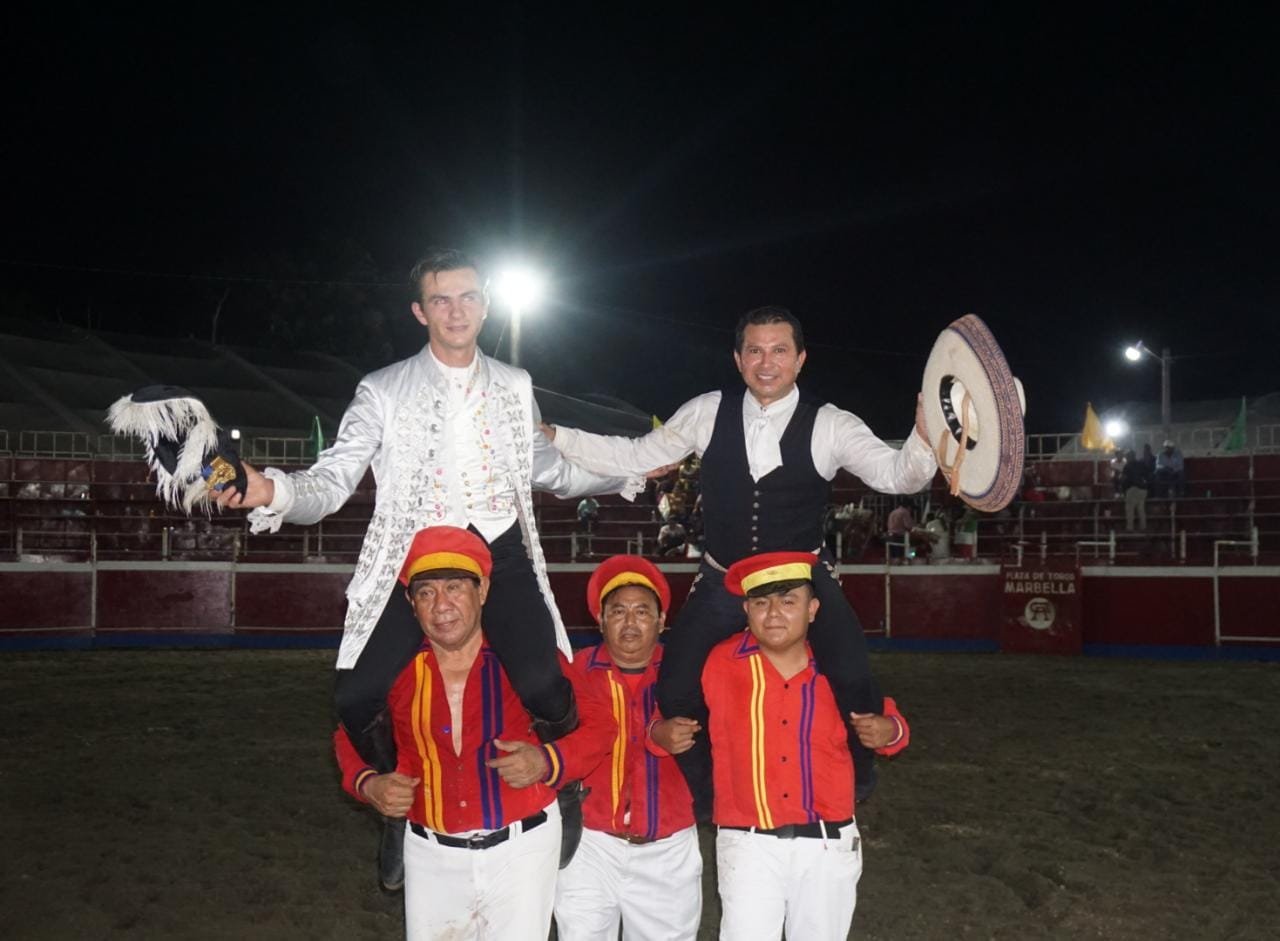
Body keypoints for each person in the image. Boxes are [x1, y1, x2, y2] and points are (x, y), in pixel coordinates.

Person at [215, 249, 641, 887]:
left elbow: (548, 469)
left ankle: (566, 786)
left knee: (545, 685)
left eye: (467, 297)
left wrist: (626, 472)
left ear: (486, 305)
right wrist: (268, 489)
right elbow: (332, 482)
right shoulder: (382, 389)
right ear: (420, 311)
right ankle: (397, 801)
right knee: (356, 696)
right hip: (414, 559)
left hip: (499, 550)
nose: (456, 311)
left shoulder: (515, 383)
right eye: (441, 299)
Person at [545, 305, 935, 818]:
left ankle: (859, 774)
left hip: (801, 577)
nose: (766, 363)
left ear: (800, 359)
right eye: (755, 350)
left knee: (851, 674)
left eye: (779, 351)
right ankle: (710, 791)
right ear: (738, 358)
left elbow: (898, 475)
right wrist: (558, 436)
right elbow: (637, 455)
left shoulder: (831, 424)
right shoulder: (707, 411)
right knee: (676, 685)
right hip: (723, 576)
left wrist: (925, 436)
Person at [334, 527, 615, 940]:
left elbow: (602, 726)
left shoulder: (525, 660)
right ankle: (394, 829)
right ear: (411, 604)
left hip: (523, 848)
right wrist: (369, 784)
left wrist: (546, 761)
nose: (441, 605)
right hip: (429, 851)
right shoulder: (397, 671)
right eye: (426, 593)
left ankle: (567, 796)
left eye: (454, 588)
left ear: (482, 591)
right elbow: (348, 734)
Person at [692, 551, 909, 940]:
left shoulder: (837, 666)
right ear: (746, 609)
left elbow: (889, 719)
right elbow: (669, 705)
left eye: (788, 601)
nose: (774, 613)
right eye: (761, 602)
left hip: (828, 845)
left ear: (813, 609)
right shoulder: (718, 663)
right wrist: (660, 730)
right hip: (747, 845)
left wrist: (889, 730)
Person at [554, 556, 701, 941]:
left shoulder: (688, 673)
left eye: (642, 611)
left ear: (662, 620)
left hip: (668, 848)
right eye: (618, 611)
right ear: (600, 620)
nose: (630, 622)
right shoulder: (574, 673)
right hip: (590, 844)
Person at [1120, 448, 1152, 531]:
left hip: (1132, 489)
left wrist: (1122, 489)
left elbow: (1123, 479)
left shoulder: (1127, 466)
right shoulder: (1141, 464)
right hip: (1143, 490)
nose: (1126, 458)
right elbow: (1148, 476)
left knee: (1130, 509)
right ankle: (1143, 527)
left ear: (1129, 457)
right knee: (1141, 509)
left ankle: (1130, 528)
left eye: (1127, 456)